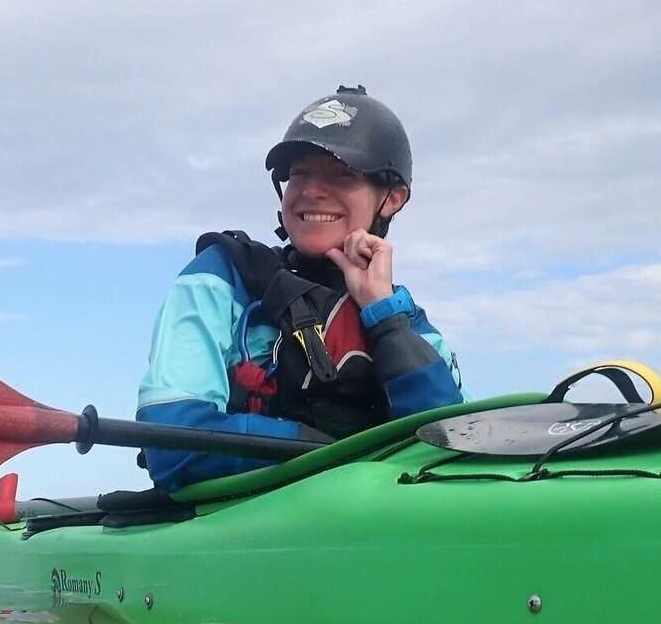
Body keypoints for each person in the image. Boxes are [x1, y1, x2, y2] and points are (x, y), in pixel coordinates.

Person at [137, 85, 467, 491]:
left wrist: (384, 317)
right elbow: (172, 445)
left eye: (343, 174)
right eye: (299, 174)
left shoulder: (409, 324)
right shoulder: (220, 277)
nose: (311, 191)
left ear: (393, 198)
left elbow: (450, 452)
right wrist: (332, 453)